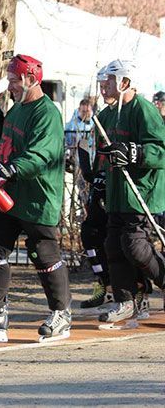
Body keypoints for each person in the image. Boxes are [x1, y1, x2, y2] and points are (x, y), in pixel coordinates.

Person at [0, 54, 72, 343]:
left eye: (13, 81)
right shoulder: (17, 110)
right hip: (8, 193)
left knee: (43, 254)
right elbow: (8, 140)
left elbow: (40, 154)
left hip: (37, 196)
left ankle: (62, 313)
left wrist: (7, 170)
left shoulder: (47, 113)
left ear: (31, 79)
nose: (10, 87)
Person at [96, 59, 165, 326]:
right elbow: (103, 151)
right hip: (117, 192)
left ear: (125, 82)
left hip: (141, 192)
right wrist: (100, 171)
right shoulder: (108, 114)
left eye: (109, 82)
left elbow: (160, 151)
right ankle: (125, 301)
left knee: (135, 246)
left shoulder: (143, 110)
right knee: (113, 245)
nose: (104, 88)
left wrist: (134, 152)